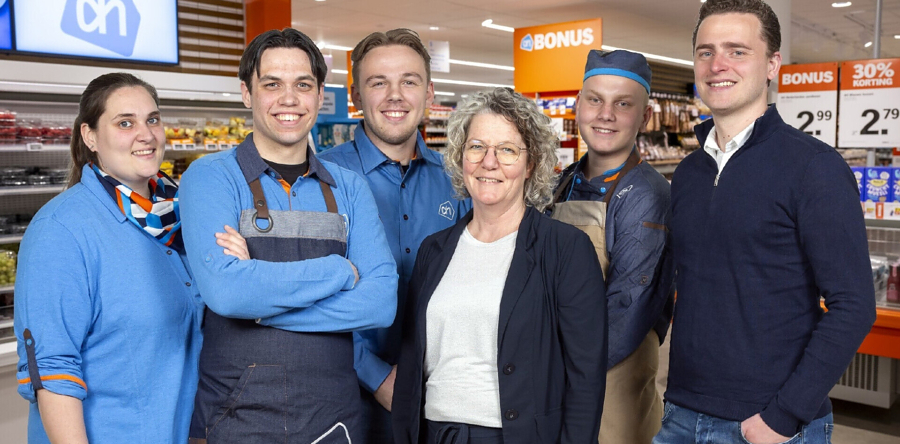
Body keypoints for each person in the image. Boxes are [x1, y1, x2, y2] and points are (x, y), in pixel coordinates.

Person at [656, 1, 877, 443]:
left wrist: (784, 415)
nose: (717, 65)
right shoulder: (688, 174)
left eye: (737, 51)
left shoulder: (814, 167)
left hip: (767, 424)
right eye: (705, 51)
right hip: (681, 411)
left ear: (773, 63)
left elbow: (854, 305)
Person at [179, 28, 398, 444]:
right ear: (247, 93)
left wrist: (259, 307)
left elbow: (380, 302)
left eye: (303, 85)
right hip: (235, 419)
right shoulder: (211, 177)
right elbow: (227, 294)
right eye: (272, 84)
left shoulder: (348, 188)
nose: (289, 99)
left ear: (319, 96)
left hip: (334, 421)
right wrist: (338, 270)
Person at [393, 87, 608, 444]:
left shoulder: (566, 250)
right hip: (436, 433)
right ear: (461, 157)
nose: (488, 162)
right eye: (477, 147)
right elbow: (413, 360)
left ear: (531, 164)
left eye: (507, 150)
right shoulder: (434, 251)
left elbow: (585, 378)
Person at [13, 73, 203, 444]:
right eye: (125, 123)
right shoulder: (61, 230)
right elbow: (52, 372)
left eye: (152, 119)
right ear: (90, 137)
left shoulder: (184, 217)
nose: (146, 134)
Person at [318, 28, 470, 443]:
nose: (395, 95)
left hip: (441, 395)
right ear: (355, 96)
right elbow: (303, 301)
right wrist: (378, 376)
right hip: (344, 397)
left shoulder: (460, 181)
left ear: (429, 92)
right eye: (378, 82)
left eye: (409, 80)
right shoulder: (319, 180)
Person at [550, 49, 674, 444]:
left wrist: (555, 368)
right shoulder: (564, 181)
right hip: (561, 375)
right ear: (577, 106)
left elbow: (627, 308)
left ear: (644, 115)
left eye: (623, 104)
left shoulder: (647, 195)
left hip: (609, 387)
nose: (606, 114)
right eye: (595, 99)